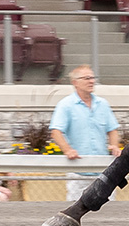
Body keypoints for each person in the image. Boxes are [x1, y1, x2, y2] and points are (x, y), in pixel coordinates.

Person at [49, 65, 120, 202]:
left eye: (93, 78)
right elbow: (56, 131)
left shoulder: (103, 104)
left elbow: (112, 130)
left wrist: (114, 146)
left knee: (109, 210)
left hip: (103, 172)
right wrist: (67, 150)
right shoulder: (66, 105)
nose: (91, 81)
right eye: (87, 78)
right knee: (77, 211)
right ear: (75, 82)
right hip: (78, 173)